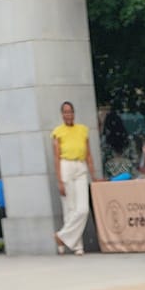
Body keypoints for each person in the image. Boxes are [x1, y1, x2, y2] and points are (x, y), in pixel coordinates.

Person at [52, 102, 92, 256]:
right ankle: (76, 245)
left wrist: (93, 174)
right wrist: (59, 180)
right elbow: (56, 156)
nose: (68, 115)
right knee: (70, 208)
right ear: (62, 114)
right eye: (65, 112)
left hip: (80, 166)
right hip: (66, 166)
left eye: (71, 112)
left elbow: (88, 154)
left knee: (83, 209)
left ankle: (61, 237)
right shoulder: (58, 132)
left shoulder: (82, 130)